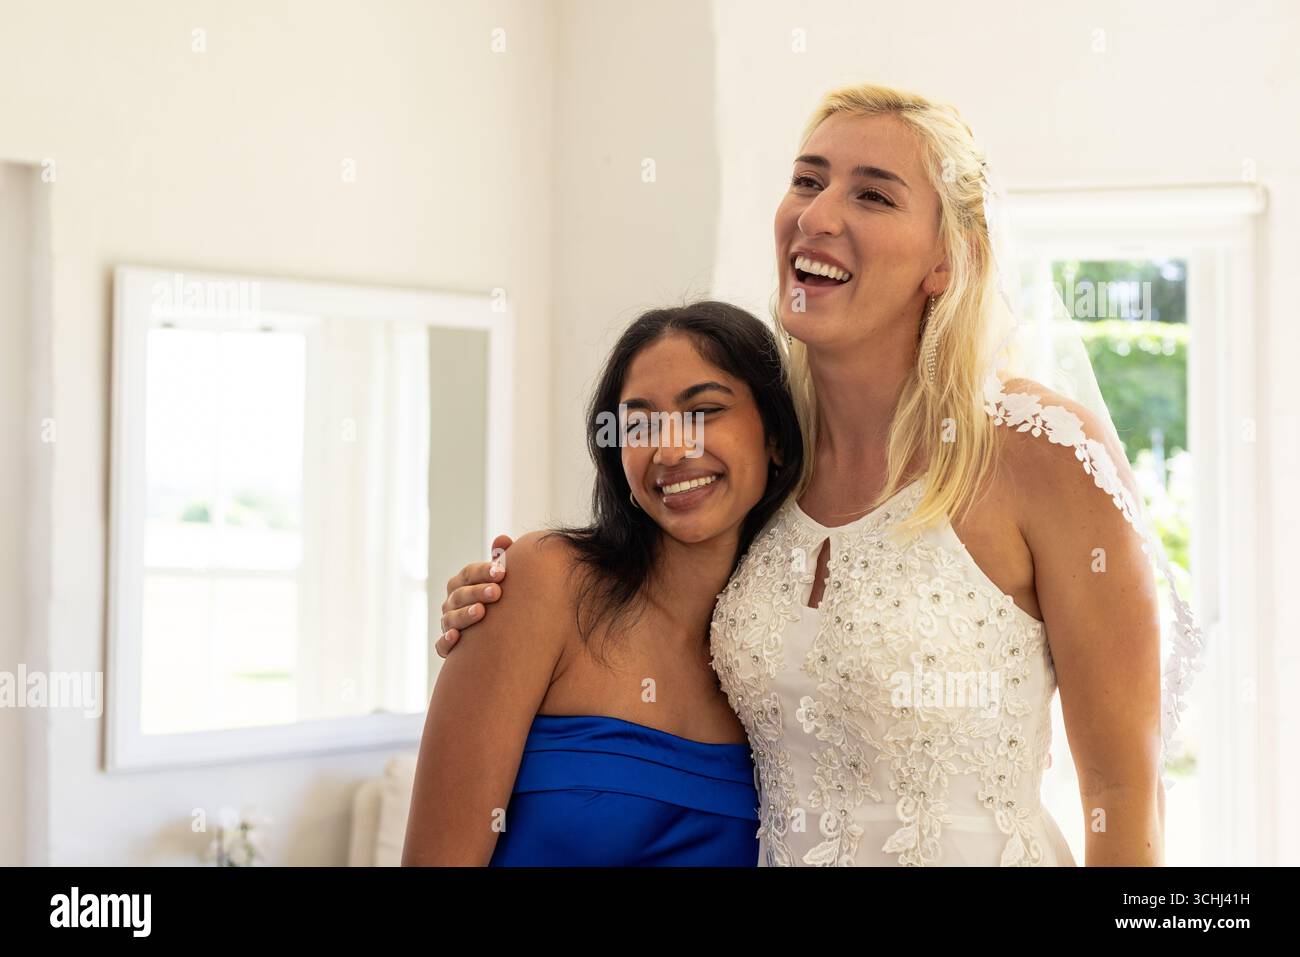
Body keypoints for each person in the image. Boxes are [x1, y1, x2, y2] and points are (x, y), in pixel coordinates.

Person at [438, 82, 1202, 866]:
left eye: (872, 194)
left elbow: (1121, 792)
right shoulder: (765, 466)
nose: (818, 213)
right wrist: (501, 599)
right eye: (807, 180)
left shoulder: (1038, 452)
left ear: (947, 259)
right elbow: (638, 613)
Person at [402, 301, 804, 865]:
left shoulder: (783, 658)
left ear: (776, 437)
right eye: (638, 424)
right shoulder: (542, 581)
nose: (669, 450)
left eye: (706, 411)